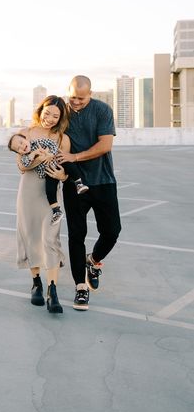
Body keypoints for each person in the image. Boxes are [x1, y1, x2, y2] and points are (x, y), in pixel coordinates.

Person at [57, 75, 122, 311]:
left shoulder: (102, 110)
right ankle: (80, 287)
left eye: (81, 99)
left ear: (90, 94)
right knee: (76, 235)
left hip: (103, 180)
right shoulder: (62, 111)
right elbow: (42, 124)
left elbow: (105, 145)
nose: (75, 102)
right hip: (74, 183)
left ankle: (93, 261)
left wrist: (74, 156)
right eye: (72, 97)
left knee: (112, 231)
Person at [8, 95, 71, 314]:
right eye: (48, 113)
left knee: (50, 238)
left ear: (61, 118)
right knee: (31, 235)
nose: (51, 119)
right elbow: (22, 167)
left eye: (56, 115)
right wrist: (38, 158)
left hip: (51, 193)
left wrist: (63, 176)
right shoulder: (25, 133)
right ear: (40, 110)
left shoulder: (62, 138)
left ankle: (52, 290)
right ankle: (36, 282)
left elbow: (67, 169)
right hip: (28, 191)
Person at [9, 133, 88, 224]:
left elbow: (53, 144)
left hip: (58, 163)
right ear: (19, 153)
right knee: (50, 190)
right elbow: (25, 164)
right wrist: (34, 154)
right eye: (18, 148)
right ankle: (56, 211)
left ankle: (79, 184)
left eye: (21, 142)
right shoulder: (25, 157)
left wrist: (51, 154)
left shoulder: (39, 141)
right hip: (48, 173)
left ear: (26, 139)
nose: (22, 146)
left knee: (70, 166)